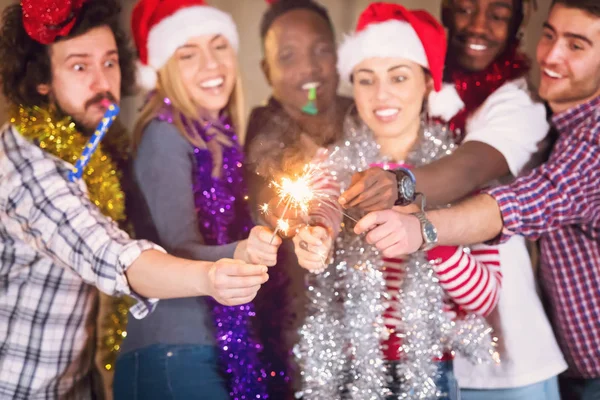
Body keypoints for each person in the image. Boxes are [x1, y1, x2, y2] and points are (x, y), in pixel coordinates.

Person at [0, 1, 274, 398]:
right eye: (80, 66)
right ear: (41, 78)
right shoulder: (25, 163)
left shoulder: (98, 152)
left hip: (76, 386)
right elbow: (112, 254)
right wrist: (213, 274)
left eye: (109, 63)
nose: (101, 82)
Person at [355, 0, 600, 399]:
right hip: (454, 359)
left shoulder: (535, 111)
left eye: (577, 46)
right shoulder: (561, 119)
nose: (553, 55)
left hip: (527, 359)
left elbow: (508, 195)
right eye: (551, 37)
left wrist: (414, 212)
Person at [292, 4, 503, 399]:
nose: (381, 95)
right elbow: (322, 208)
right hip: (347, 374)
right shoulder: (332, 163)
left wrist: (428, 230)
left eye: (399, 77)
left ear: (427, 83)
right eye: (366, 80)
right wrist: (317, 238)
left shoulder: (460, 172)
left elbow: (485, 296)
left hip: (430, 377)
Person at [112, 1, 281, 399]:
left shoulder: (221, 139)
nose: (211, 64)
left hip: (207, 346)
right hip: (170, 349)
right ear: (164, 68)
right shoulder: (164, 135)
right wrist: (241, 251)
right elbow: (174, 250)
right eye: (188, 54)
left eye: (219, 46)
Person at [243, 1, 352, 396]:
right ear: (266, 70)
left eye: (321, 50)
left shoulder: (362, 114)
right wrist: (308, 226)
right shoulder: (265, 125)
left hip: (373, 326)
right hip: (297, 334)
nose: (309, 68)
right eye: (288, 56)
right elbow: (270, 198)